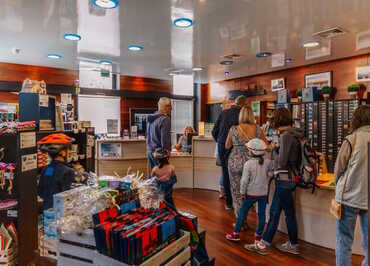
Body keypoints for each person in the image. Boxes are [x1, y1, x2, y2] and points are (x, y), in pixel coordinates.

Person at [248, 107, 303, 255]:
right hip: (288, 179)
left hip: (284, 179)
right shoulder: (294, 134)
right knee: (274, 212)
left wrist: (274, 149)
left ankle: (293, 244)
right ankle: (264, 242)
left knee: (287, 214)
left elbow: (283, 161)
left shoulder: (285, 136)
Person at [334, 105, 369, 266]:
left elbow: (338, 168)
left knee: (344, 240)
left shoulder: (352, 139)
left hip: (348, 198)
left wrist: (338, 186)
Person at [226, 138, 272, 249]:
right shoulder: (267, 162)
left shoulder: (248, 164)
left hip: (251, 193)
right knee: (261, 215)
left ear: (252, 151)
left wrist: (242, 192)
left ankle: (236, 234)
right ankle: (258, 238)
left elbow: (244, 181)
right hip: (263, 193)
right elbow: (270, 174)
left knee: (242, 212)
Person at [225, 106, 268, 217]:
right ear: (251, 116)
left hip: (235, 161)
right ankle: (248, 214)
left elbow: (227, 145)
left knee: (236, 192)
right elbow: (265, 145)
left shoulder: (234, 129)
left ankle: (240, 221)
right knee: (250, 192)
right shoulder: (258, 129)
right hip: (252, 162)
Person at [212, 95, 247, 210]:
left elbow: (214, 131)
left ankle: (229, 203)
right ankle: (241, 202)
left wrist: (220, 141)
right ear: (243, 105)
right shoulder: (241, 115)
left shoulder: (224, 113)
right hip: (236, 147)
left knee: (226, 173)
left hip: (223, 146)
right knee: (239, 173)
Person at [37, 133, 75, 210]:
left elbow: (41, 192)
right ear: (63, 152)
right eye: (68, 150)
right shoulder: (68, 171)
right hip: (61, 211)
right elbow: (68, 196)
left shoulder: (47, 169)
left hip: (47, 210)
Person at [146, 97, 172, 168]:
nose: (171, 108)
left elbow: (147, 136)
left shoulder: (151, 119)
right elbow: (165, 140)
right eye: (170, 106)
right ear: (166, 107)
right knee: (170, 178)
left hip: (150, 152)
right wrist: (167, 152)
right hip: (159, 154)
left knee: (156, 176)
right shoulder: (165, 119)